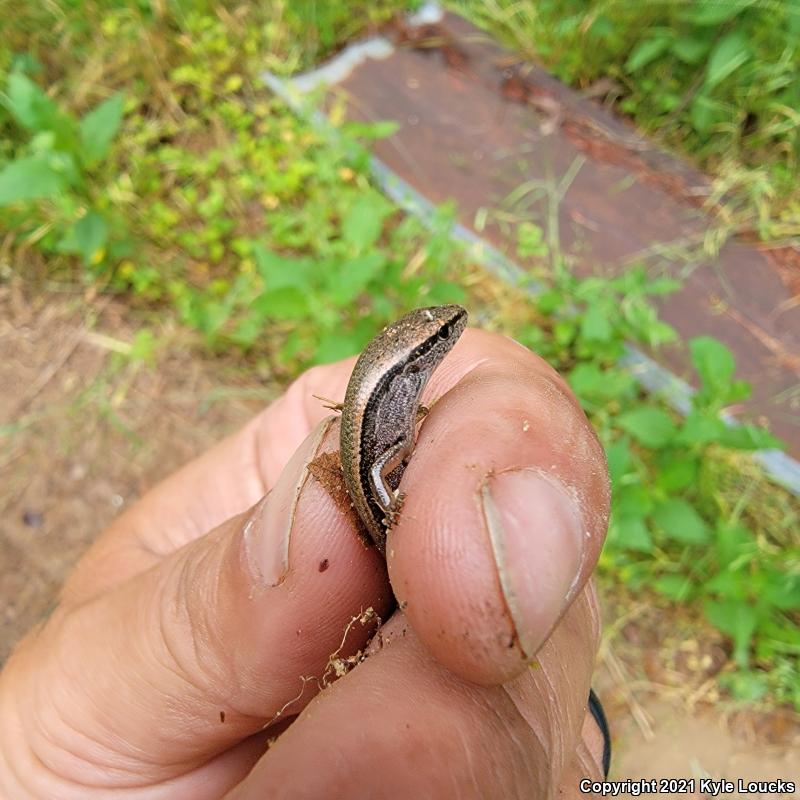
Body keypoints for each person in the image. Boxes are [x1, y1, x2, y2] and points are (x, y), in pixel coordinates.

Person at [0, 327, 610, 798]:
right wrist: (396, 509)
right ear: (413, 364)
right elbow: (373, 469)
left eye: (443, 339)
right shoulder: (387, 410)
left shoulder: (404, 395)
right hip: (374, 519)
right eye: (438, 342)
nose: (447, 343)